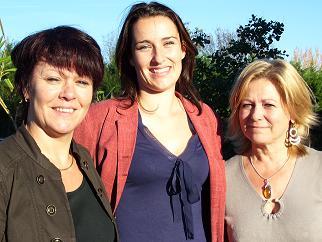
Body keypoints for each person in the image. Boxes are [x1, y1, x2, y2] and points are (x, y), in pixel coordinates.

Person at [74, 2, 225, 242]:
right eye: (145, 47)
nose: (158, 57)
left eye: (168, 43)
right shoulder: (99, 119)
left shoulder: (204, 117)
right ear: (130, 57)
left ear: (183, 49)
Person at [0, 26, 118, 242]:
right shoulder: (4, 167)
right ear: (26, 87)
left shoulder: (84, 160)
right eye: (54, 79)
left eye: (82, 82)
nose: (69, 94)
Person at [225, 59, 322, 241]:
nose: (255, 115)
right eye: (247, 105)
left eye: (268, 105)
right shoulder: (223, 176)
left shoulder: (318, 168)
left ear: (293, 111)